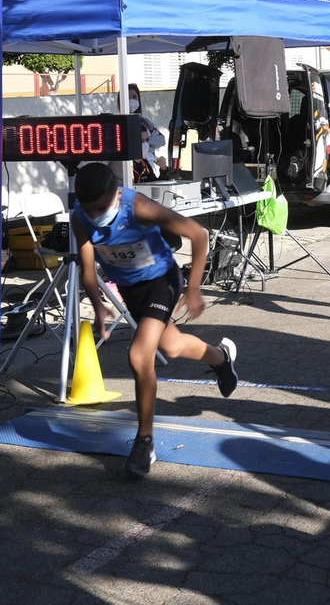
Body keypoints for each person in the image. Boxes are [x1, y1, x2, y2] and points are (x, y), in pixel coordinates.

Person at [73, 162, 239, 478]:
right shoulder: (79, 217)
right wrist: (98, 307)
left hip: (162, 280)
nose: (95, 216)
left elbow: (198, 234)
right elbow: (87, 269)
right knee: (172, 346)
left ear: (114, 195)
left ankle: (144, 440)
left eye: (101, 208)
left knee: (138, 355)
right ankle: (220, 358)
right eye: (88, 209)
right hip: (131, 290)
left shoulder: (138, 207)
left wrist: (193, 288)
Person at [127, 83, 167, 180]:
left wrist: (164, 169)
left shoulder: (146, 122)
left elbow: (161, 140)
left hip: (149, 165)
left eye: (134, 97)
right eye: (128, 97)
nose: (131, 100)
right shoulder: (124, 168)